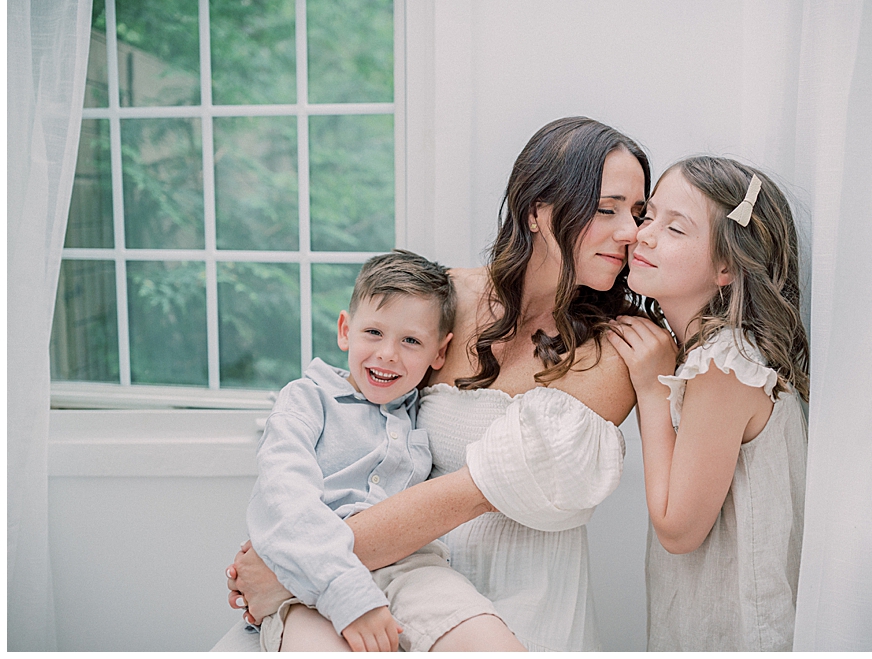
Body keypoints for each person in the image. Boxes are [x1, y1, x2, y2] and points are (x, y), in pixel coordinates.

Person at [223, 117, 651, 651]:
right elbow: (353, 420)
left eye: (636, 213)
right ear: (539, 211)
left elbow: (477, 491)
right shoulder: (443, 298)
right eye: (607, 209)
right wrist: (299, 544)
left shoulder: (615, 350)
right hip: (386, 581)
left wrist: (297, 565)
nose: (632, 232)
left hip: (516, 601)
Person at [245, 249, 524, 652]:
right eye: (373, 332)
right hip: (310, 576)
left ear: (440, 353)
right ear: (345, 329)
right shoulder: (307, 400)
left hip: (410, 567)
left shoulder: (425, 410)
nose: (388, 353)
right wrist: (350, 596)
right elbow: (286, 503)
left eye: (411, 340)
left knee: (492, 643)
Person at [607, 156, 809, 651]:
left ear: (726, 267)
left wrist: (652, 392)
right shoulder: (703, 353)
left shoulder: (725, 366)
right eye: (648, 216)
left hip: (738, 631)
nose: (644, 236)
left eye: (675, 229)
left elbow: (678, 531)